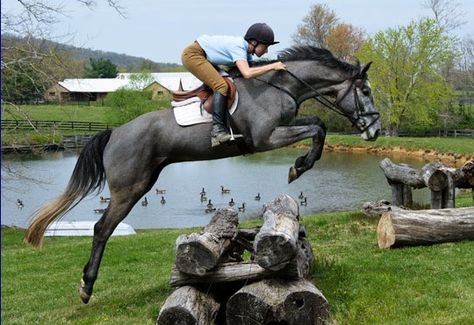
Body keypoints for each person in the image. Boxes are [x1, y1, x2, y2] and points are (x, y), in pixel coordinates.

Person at [182, 23, 287, 147]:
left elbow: (252, 69)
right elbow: (247, 73)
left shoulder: (245, 52)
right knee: (221, 86)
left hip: (204, 56)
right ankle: (217, 132)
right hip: (193, 55)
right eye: (265, 46)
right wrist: (273, 66)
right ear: (254, 42)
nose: (266, 51)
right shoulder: (238, 47)